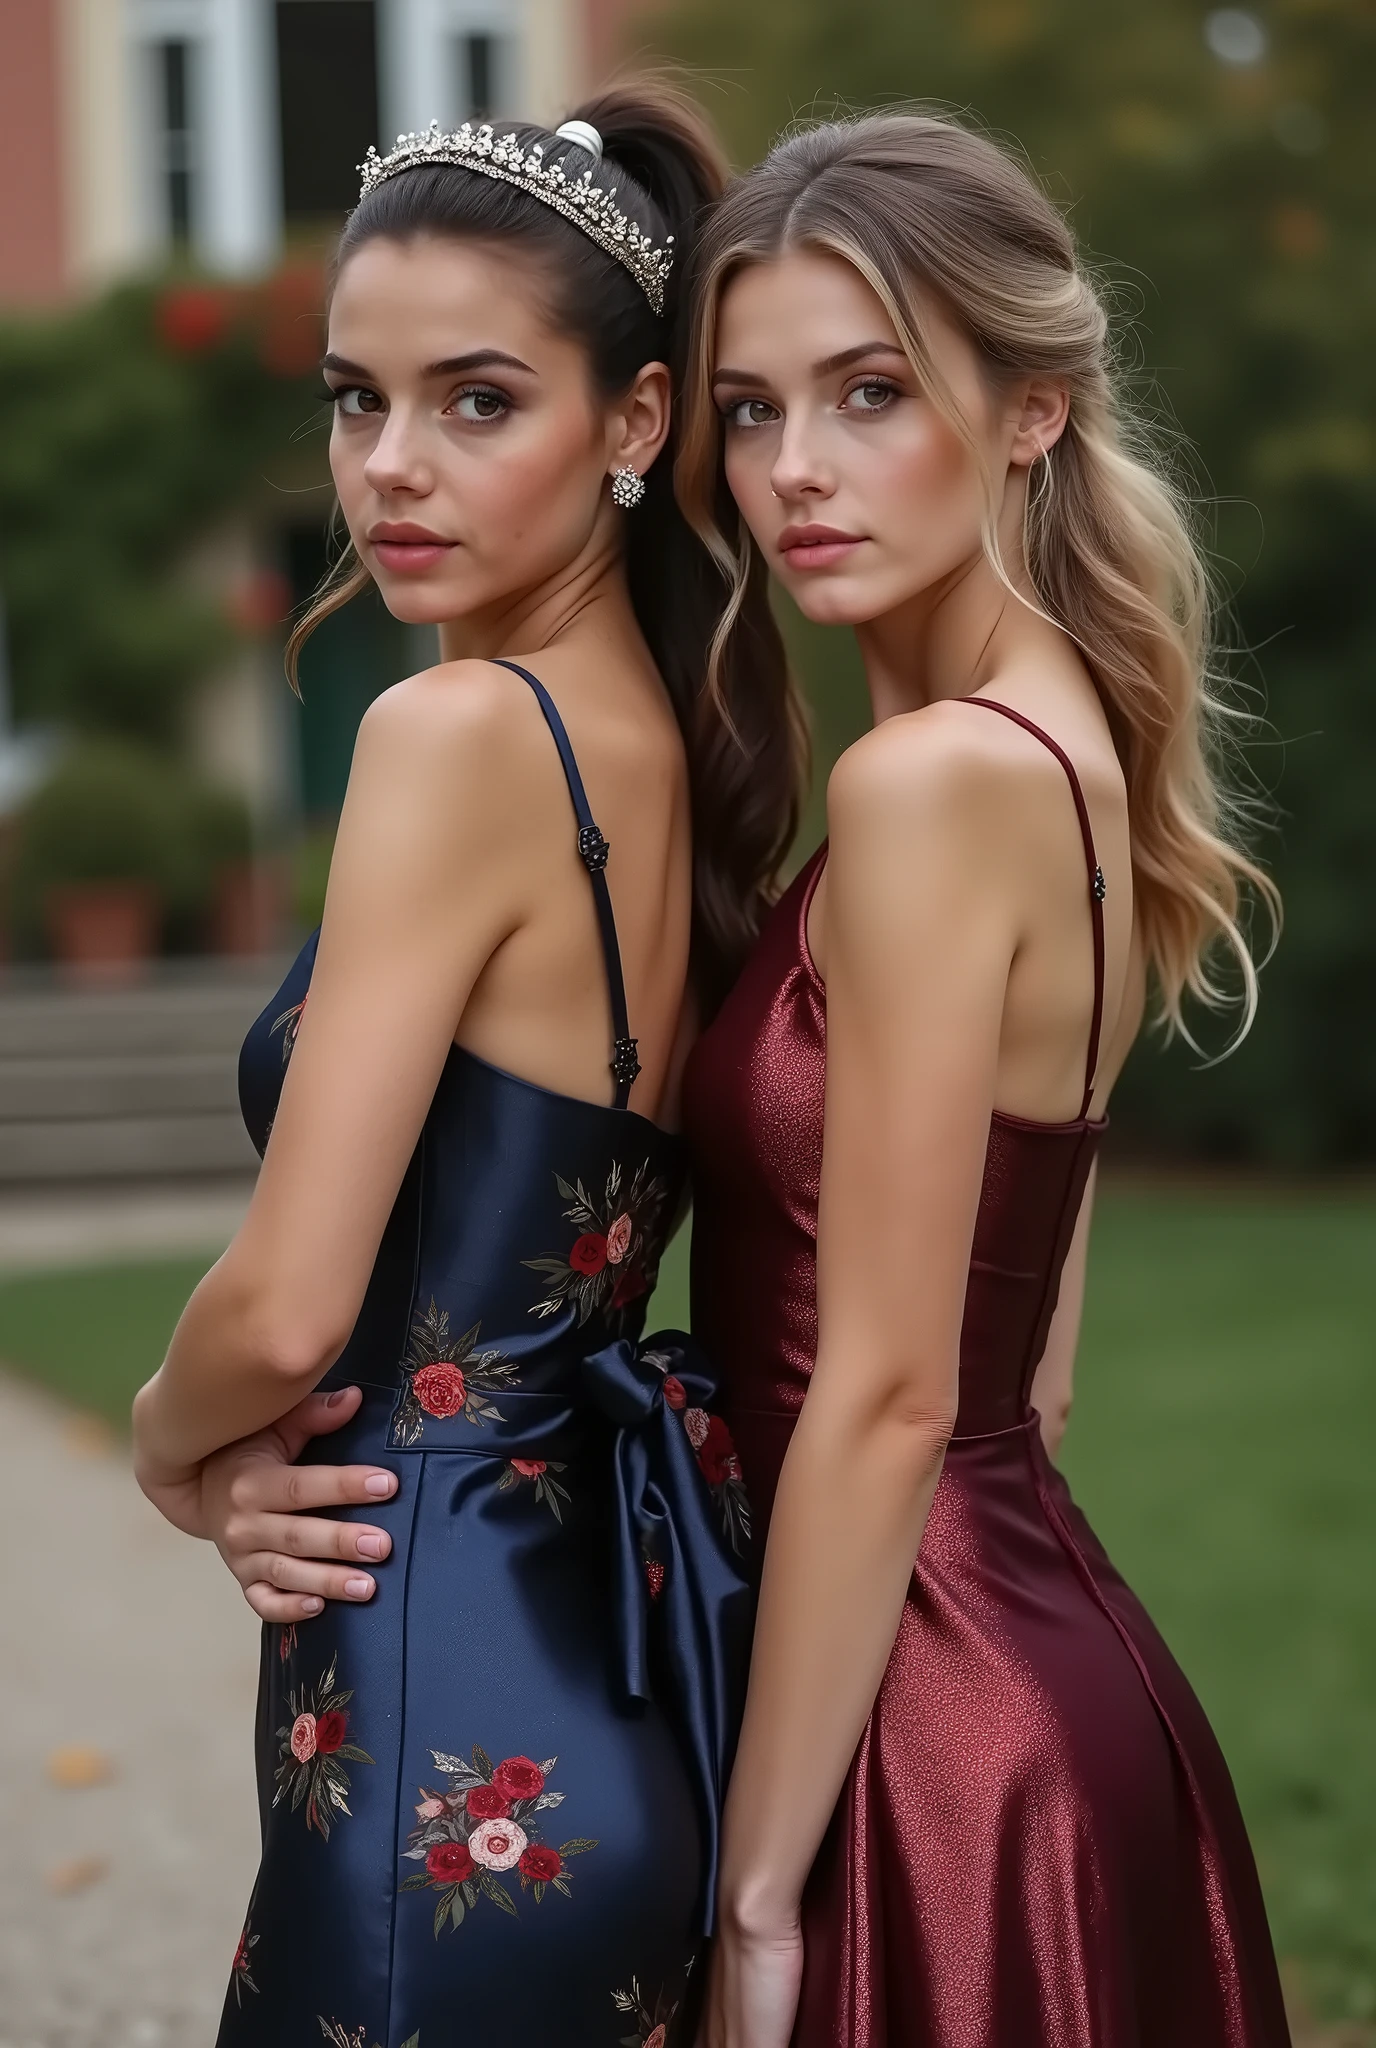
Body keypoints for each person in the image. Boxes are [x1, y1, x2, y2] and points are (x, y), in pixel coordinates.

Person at [131, 83, 802, 2046]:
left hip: (433, 1716)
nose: (391, 465)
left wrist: (184, 1451)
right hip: (601, 1684)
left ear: (636, 424)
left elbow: (283, 1302)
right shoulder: (665, 755)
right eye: (357, 398)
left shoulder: (456, 746)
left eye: (477, 400)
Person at [675, 114, 1291, 2047]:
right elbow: (1044, 1364)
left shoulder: (932, 784)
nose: (797, 471)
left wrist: (762, 1890)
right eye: (753, 411)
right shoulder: (1064, 757)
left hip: (924, 1741)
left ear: (1029, 412)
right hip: (1013, 1677)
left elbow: (895, 1386)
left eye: (870, 393)